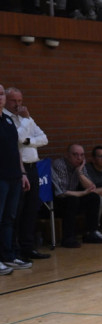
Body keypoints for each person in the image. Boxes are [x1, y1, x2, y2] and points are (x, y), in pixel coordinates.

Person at [4, 87, 50, 261]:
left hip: (33, 168)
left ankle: (28, 248)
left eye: (20, 101)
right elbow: (15, 139)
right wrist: (26, 121)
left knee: (31, 210)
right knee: (17, 211)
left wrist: (27, 141)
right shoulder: (8, 119)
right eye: (14, 101)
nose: (18, 105)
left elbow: (44, 138)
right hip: (18, 169)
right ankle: (13, 249)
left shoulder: (26, 118)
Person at [50, 143, 102, 247]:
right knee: (72, 200)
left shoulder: (80, 166)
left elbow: (91, 187)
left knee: (93, 198)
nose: (79, 158)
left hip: (72, 197)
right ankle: (68, 238)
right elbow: (62, 192)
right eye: (75, 155)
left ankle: (91, 233)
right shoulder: (59, 164)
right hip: (57, 200)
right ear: (67, 155)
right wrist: (82, 193)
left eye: (82, 155)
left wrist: (79, 172)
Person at [0, 84, 31, 274]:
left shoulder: (9, 121)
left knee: (9, 218)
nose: (0, 97)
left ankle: (8, 256)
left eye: (1, 93)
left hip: (14, 177)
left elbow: (16, 150)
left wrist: (23, 173)